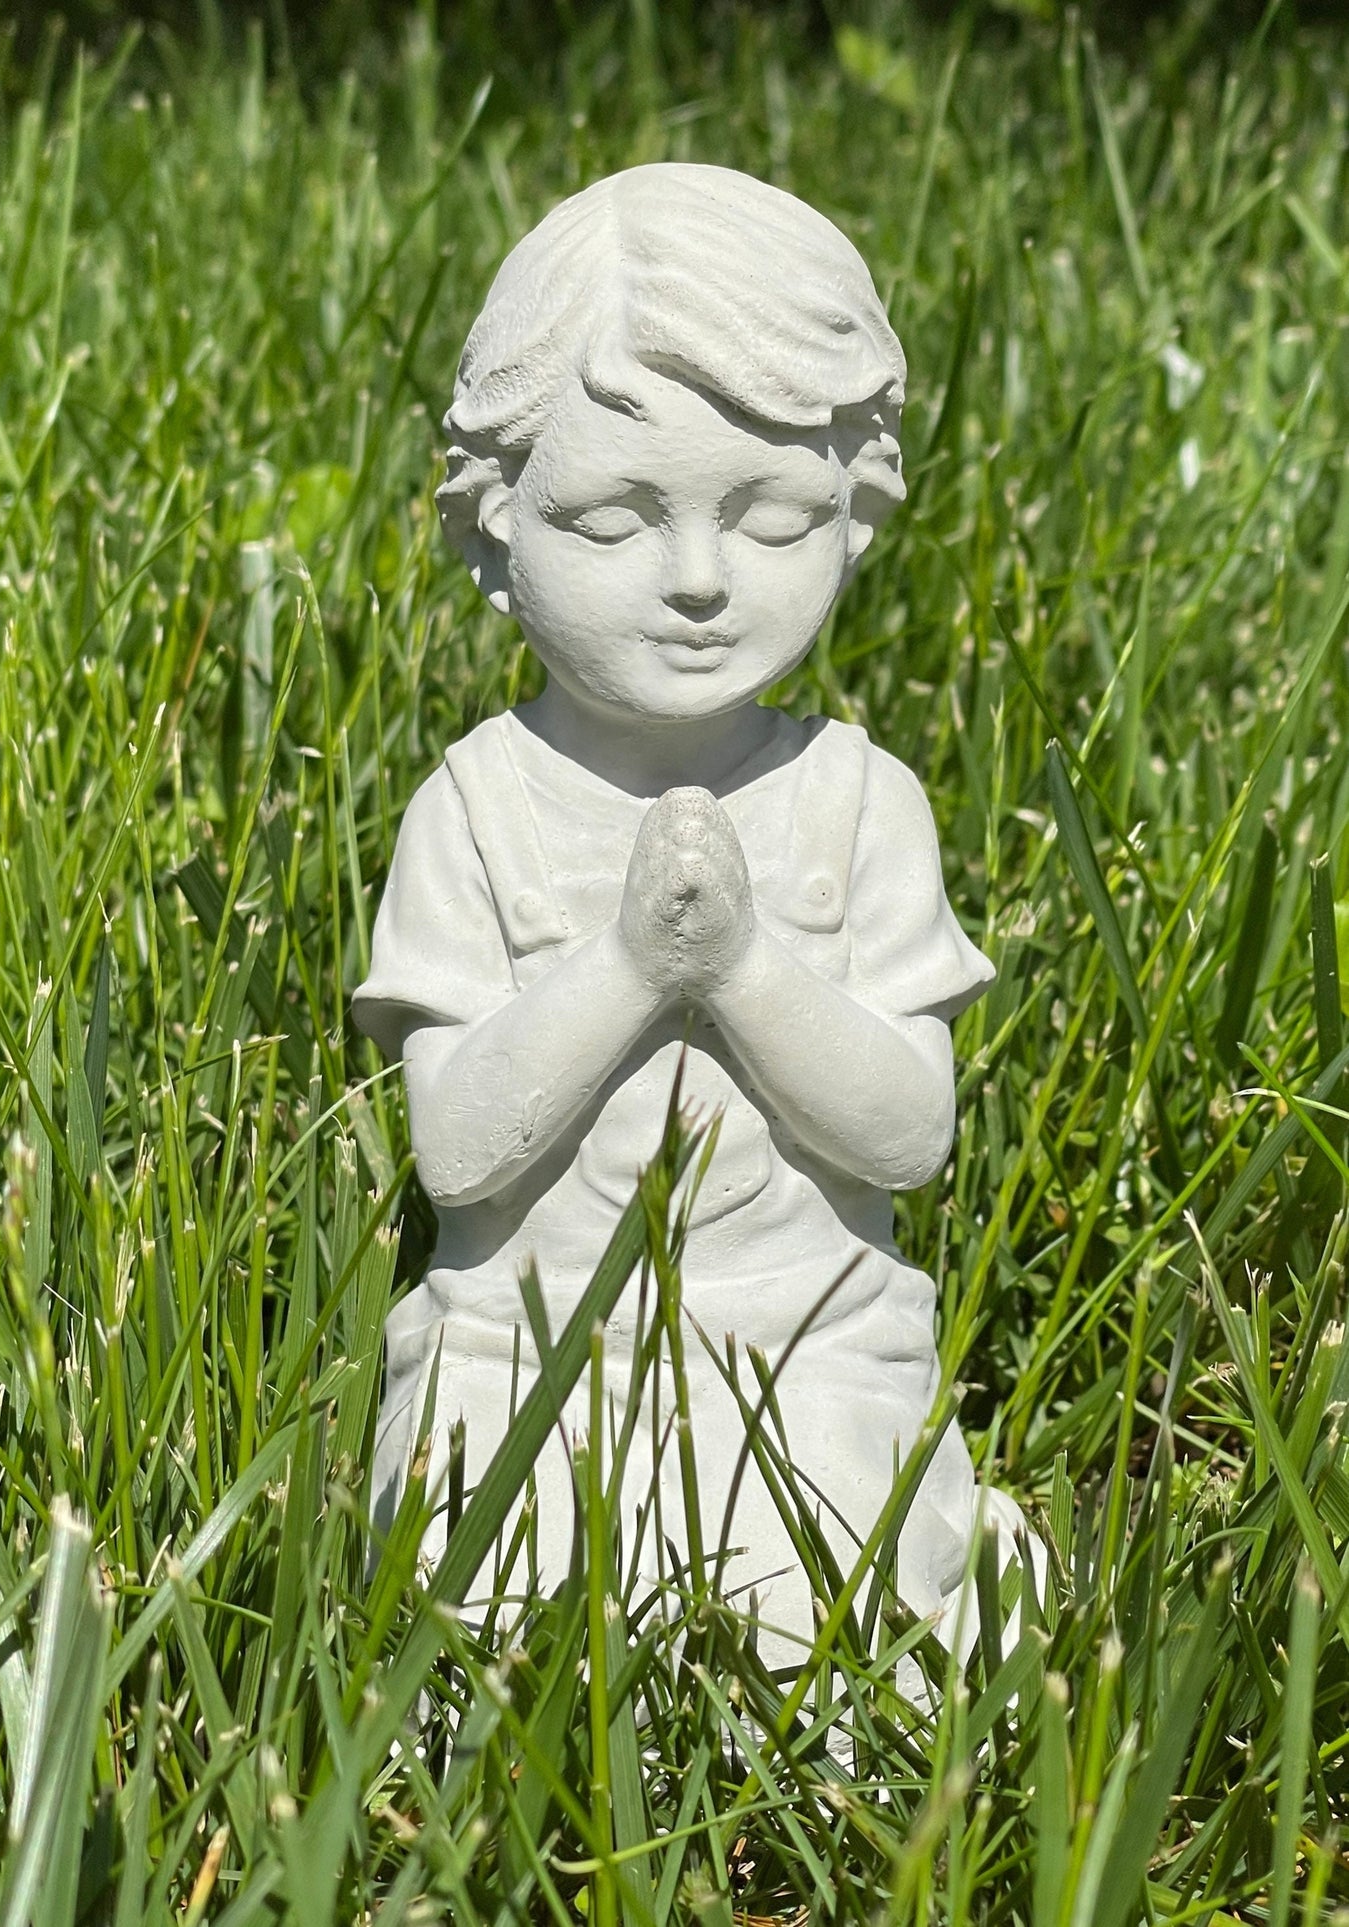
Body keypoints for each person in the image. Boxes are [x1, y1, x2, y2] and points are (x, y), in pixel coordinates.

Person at [354, 162, 1037, 1661]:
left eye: (777, 519)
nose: (700, 582)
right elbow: (459, 1160)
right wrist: (623, 964)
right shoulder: (472, 807)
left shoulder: (863, 805)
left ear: (857, 517)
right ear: (490, 530)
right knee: (480, 1610)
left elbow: (902, 1140)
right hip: (520, 1341)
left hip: (801, 1325)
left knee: (829, 1622)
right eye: (608, 522)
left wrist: (734, 967)